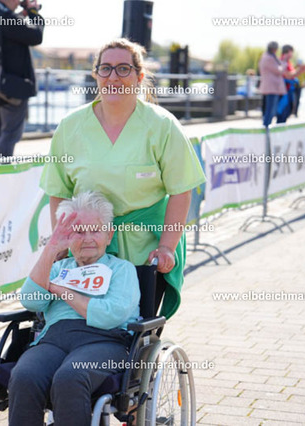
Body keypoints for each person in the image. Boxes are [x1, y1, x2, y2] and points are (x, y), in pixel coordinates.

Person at [40, 38, 206, 319]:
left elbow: (181, 191)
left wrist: (167, 247)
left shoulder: (163, 126)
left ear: (139, 76)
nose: (113, 77)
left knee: (135, 329)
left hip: (145, 253)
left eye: (123, 69)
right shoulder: (70, 127)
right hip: (88, 251)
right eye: (105, 68)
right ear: (95, 75)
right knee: (85, 323)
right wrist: (62, 243)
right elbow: (58, 191)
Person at [8, 191, 140, 426]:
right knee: (24, 375)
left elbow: (110, 315)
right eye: (79, 231)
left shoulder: (122, 269)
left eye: (95, 230)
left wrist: (63, 291)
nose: (87, 238)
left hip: (105, 341)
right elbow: (30, 300)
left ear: (109, 235)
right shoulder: (58, 269)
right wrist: (51, 249)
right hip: (55, 339)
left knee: (71, 376)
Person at [0, 0, 44, 157]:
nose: (20, 2)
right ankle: (2, 170)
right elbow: (36, 36)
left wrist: (21, 15)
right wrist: (33, 12)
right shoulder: (6, 17)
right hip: (11, 87)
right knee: (10, 134)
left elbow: (9, 33)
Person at [259, 41, 285, 127]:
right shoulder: (269, 58)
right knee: (270, 110)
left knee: (269, 109)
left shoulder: (267, 57)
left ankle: (266, 126)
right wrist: (284, 64)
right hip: (271, 88)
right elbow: (279, 70)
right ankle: (266, 127)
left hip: (270, 88)